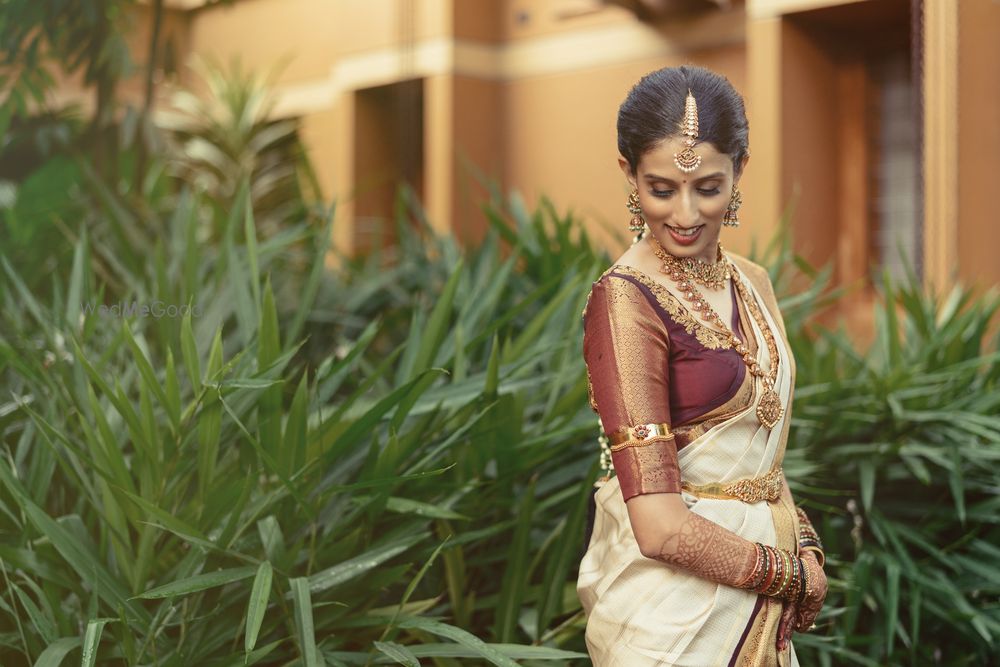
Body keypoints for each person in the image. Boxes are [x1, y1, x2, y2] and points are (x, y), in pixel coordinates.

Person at [576, 65, 828, 666]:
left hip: (760, 604)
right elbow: (659, 527)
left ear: (740, 170)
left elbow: (764, 459)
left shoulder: (755, 283)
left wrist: (806, 546)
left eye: (707, 187)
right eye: (662, 189)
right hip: (672, 621)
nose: (686, 214)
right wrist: (787, 575)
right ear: (629, 176)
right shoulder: (625, 302)